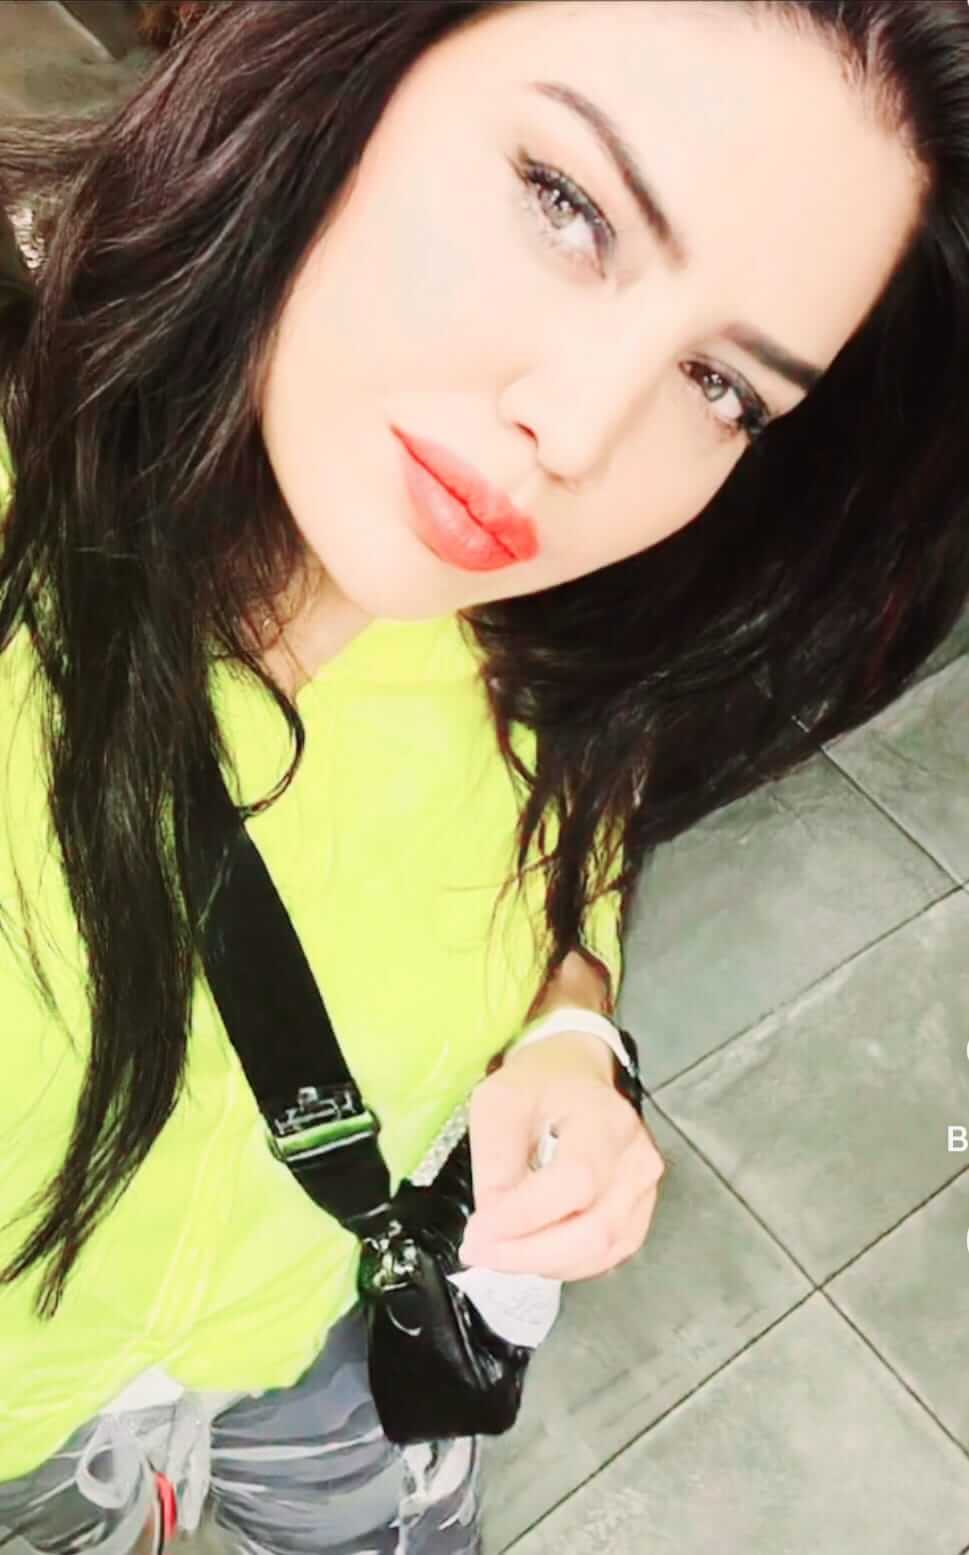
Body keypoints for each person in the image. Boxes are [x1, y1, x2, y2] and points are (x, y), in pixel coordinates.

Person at [0, 1, 966, 1551]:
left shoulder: (549, 625)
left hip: (310, 1336)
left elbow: (574, 812)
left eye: (721, 384)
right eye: (565, 202)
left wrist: (570, 1029)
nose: (575, 436)